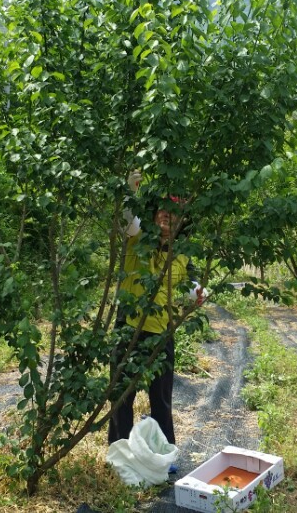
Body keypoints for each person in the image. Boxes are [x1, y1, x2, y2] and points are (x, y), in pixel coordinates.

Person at [107, 172, 204, 466]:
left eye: (174, 213)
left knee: (160, 399)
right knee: (122, 395)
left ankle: (165, 456)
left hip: (162, 333)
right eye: (163, 210)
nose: (167, 216)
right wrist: (130, 190)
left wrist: (200, 292)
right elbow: (128, 219)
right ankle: (120, 456)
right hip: (129, 329)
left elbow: (190, 285)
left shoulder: (183, 254)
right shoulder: (139, 239)